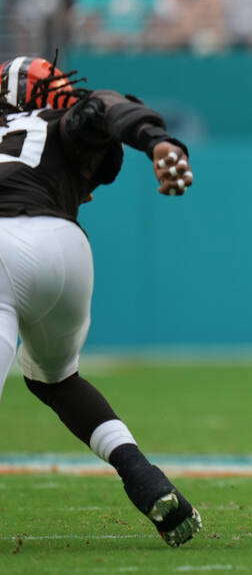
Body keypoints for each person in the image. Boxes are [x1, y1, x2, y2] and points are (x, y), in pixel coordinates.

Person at [0, 55, 201, 547]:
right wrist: (158, 141)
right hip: (65, 252)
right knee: (55, 378)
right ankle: (142, 476)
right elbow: (107, 109)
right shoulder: (62, 122)